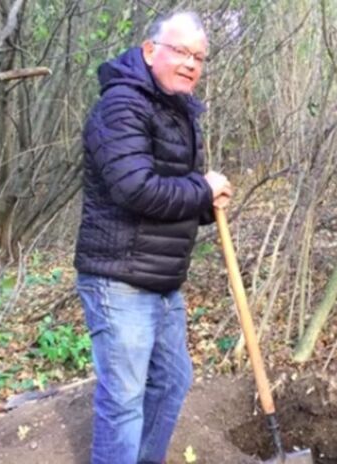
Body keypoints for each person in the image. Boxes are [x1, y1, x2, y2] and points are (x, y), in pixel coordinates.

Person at [73, 10, 231, 464]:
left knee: (172, 380)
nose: (191, 64)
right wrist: (201, 187)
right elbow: (134, 189)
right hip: (118, 277)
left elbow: (167, 194)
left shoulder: (175, 110)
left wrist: (204, 203)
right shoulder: (121, 106)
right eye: (181, 52)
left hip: (160, 279)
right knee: (123, 399)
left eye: (199, 57)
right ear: (149, 50)